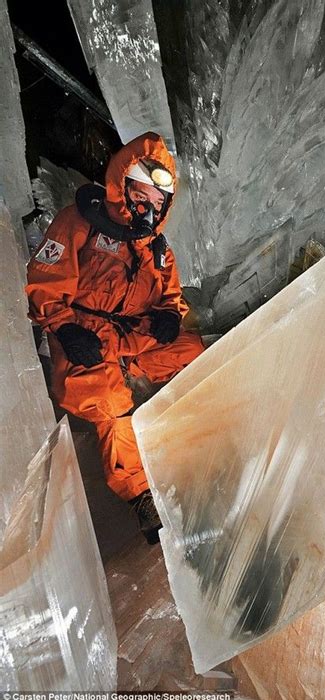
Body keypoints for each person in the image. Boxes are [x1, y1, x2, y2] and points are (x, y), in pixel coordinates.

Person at [26, 132, 204, 544]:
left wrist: (167, 317)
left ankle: (206, 432)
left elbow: (172, 298)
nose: (151, 206)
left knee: (196, 351)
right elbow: (45, 284)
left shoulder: (157, 250)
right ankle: (140, 494)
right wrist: (65, 329)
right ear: (122, 184)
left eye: (160, 201)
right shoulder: (79, 224)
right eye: (145, 193)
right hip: (88, 341)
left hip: (135, 341)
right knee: (110, 401)